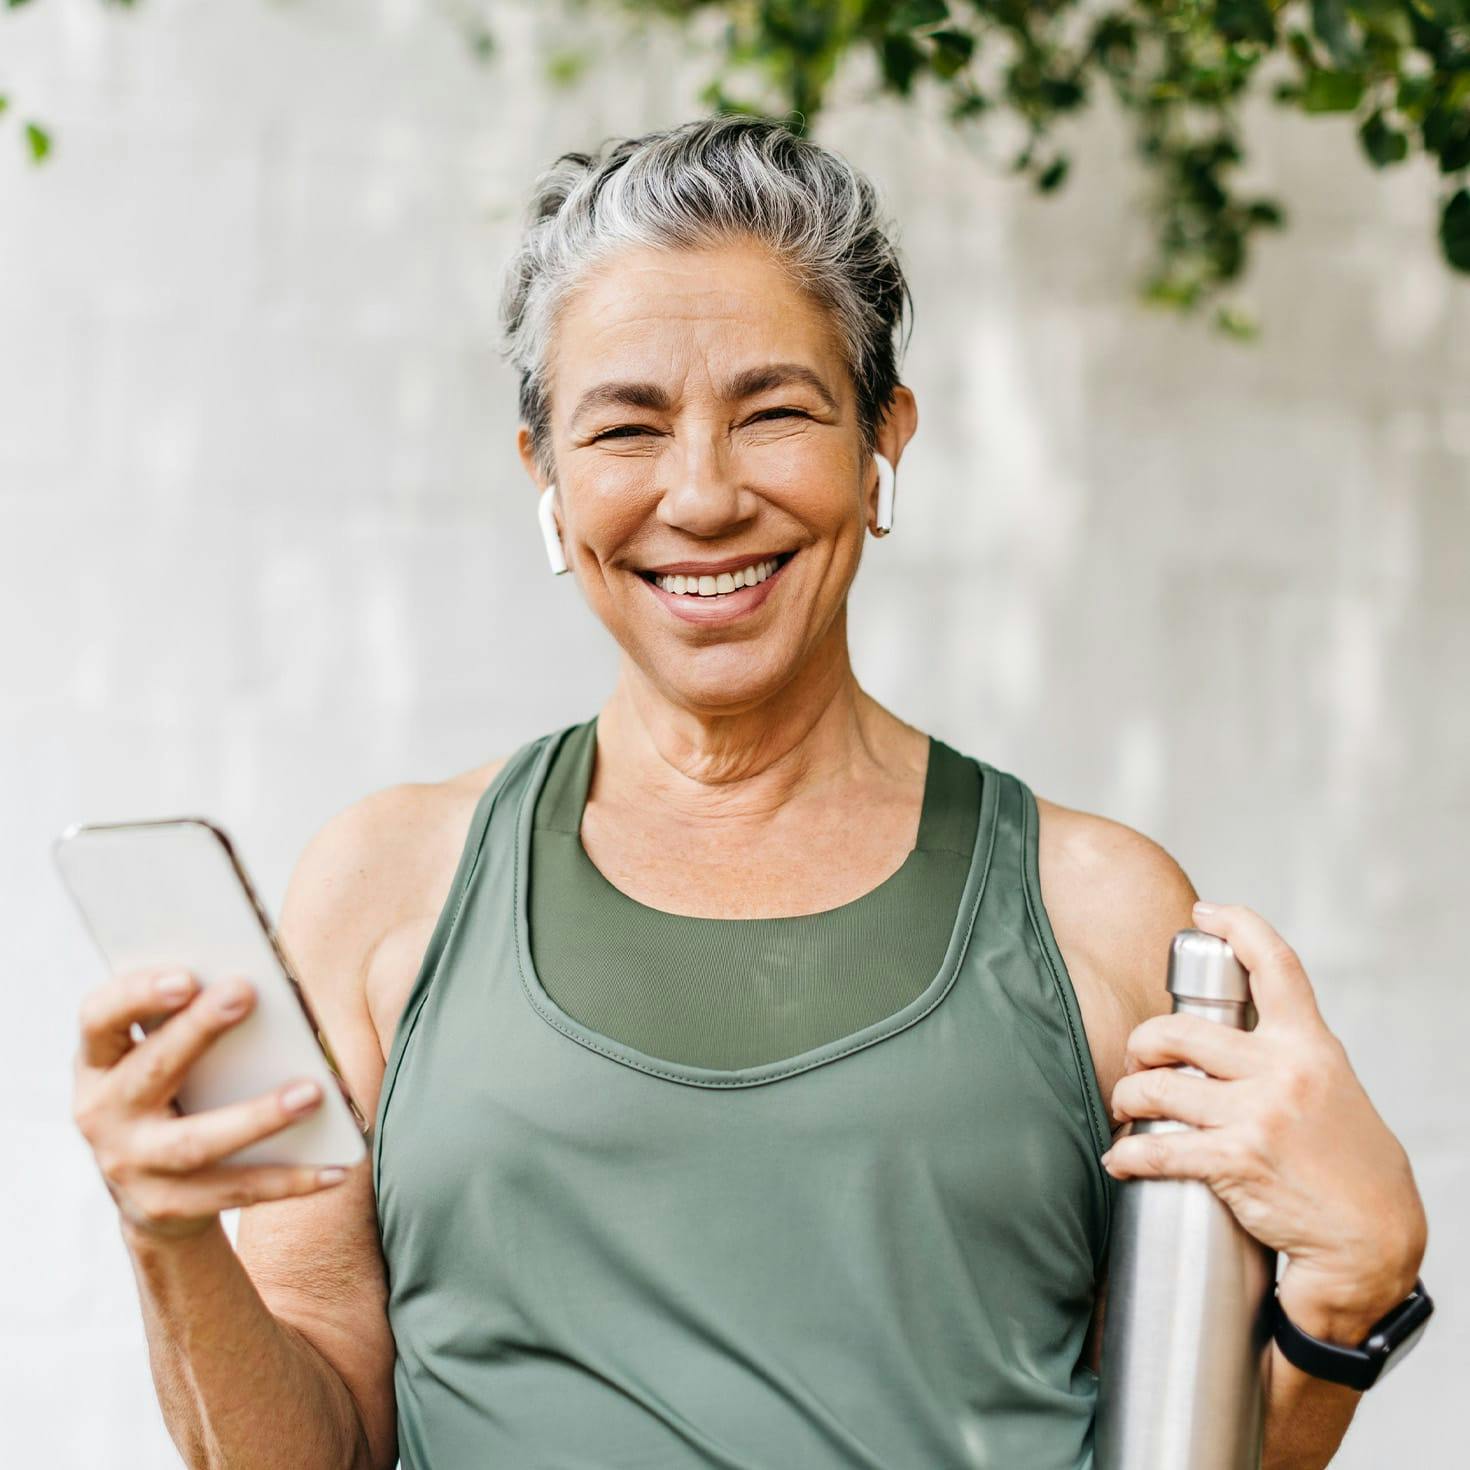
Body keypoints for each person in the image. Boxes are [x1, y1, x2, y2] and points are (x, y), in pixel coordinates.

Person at [71, 115, 1427, 1469]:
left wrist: (1345, 1292)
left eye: (774, 410)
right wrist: (170, 1234)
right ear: (544, 472)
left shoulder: (1102, 909)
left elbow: (1182, 1455)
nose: (704, 495)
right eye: (627, 426)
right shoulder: (383, 889)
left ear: (880, 438)